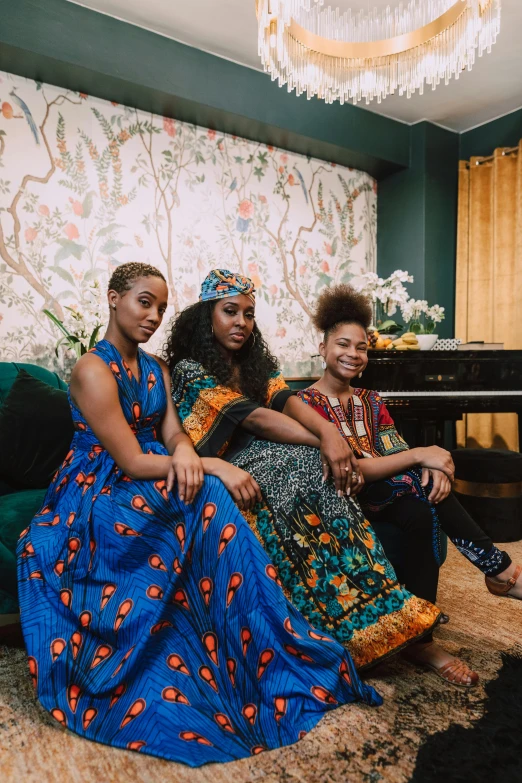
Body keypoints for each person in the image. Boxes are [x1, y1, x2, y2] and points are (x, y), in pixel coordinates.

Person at [17, 263, 383, 767]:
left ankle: (261, 655)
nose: (152, 316)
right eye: (144, 302)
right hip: (100, 487)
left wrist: (187, 452)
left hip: (158, 468)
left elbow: (170, 433)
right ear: (113, 298)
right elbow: (128, 459)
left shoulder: (157, 370)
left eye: (161, 308)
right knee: (209, 490)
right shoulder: (91, 370)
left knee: (212, 502)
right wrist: (205, 462)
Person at [167, 269, 442, 673]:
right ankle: (332, 630)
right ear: (207, 315)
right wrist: (326, 442)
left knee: (311, 465)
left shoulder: (257, 362)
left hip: (275, 451)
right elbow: (254, 418)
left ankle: (377, 614)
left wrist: (328, 432)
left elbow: (285, 400)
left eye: (249, 313)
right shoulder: (190, 368)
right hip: (227, 460)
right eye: (230, 311)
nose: (241, 322)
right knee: (301, 465)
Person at [297, 283, 522, 684]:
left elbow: (392, 448)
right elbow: (354, 471)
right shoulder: (303, 405)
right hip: (341, 499)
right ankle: (500, 573)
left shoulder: (371, 399)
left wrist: (433, 466)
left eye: (362, 347)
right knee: (419, 480)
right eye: (343, 344)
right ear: (323, 348)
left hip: (387, 494)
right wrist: (423, 455)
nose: (353, 354)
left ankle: (421, 637)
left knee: (424, 502)